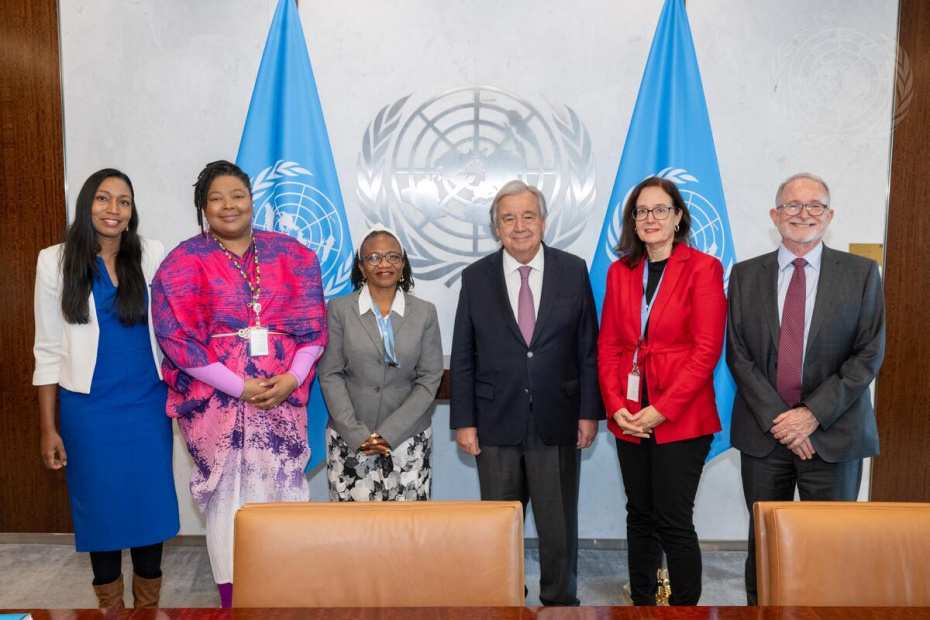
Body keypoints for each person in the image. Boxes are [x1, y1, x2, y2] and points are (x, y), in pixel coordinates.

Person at [151, 160, 327, 607]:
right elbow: (176, 340)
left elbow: (314, 330)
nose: (228, 205)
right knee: (229, 499)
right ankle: (233, 600)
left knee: (283, 489)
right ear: (202, 208)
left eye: (237, 195)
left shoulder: (293, 254)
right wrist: (237, 386)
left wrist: (292, 377)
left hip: (281, 397)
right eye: (216, 198)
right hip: (217, 404)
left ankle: (287, 596)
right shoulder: (182, 263)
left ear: (253, 200)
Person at [727, 172, 885, 605]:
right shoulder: (744, 275)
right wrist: (784, 422)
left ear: (829, 215)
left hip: (834, 436)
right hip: (765, 435)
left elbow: (868, 354)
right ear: (775, 215)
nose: (803, 214)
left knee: (829, 548)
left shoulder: (862, 273)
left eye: (815, 205)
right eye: (793, 205)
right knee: (765, 545)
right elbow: (738, 355)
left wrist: (811, 415)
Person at [450, 180, 601, 606]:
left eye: (528, 216)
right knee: (500, 524)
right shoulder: (476, 277)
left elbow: (587, 348)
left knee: (558, 525)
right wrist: (464, 421)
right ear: (496, 227)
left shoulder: (573, 269)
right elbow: (464, 354)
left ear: (544, 221)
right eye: (508, 218)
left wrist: (589, 413)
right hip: (496, 421)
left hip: (559, 417)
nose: (519, 226)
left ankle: (560, 601)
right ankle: (505, 599)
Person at [33, 169, 179, 609]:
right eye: (103, 199)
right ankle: (110, 610)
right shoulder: (54, 260)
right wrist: (48, 428)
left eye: (123, 201)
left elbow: (174, 321)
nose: (113, 210)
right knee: (102, 509)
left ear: (132, 212)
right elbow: (46, 348)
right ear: (86, 204)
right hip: (88, 409)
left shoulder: (151, 253)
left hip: (148, 403)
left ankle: (148, 609)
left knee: (150, 507)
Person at [597, 177, 726, 606]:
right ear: (632, 221)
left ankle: (685, 610)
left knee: (673, 519)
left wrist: (662, 410)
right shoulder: (620, 272)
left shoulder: (704, 268)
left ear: (678, 217)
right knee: (639, 516)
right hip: (629, 416)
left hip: (682, 418)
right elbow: (610, 346)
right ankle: (642, 605)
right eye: (641, 211)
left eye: (660, 210)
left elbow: (706, 352)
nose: (650, 218)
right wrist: (616, 406)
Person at [319, 224, 443, 501]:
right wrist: (356, 432)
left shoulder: (424, 312)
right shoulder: (339, 310)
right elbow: (330, 374)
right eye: (373, 258)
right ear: (361, 267)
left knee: (405, 530)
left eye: (392, 256)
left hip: (409, 438)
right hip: (350, 438)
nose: (384, 263)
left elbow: (429, 378)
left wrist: (390, 432)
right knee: (355, 530)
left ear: (403, 264)